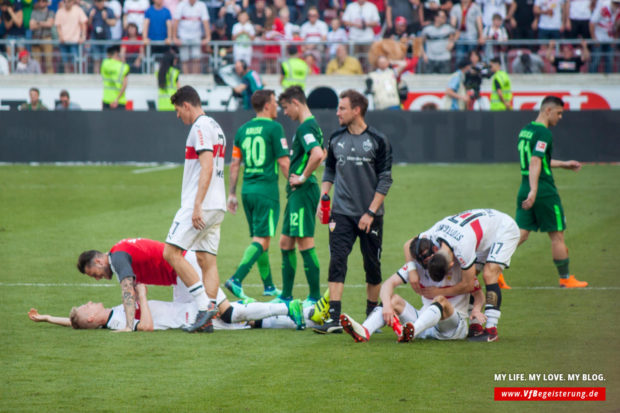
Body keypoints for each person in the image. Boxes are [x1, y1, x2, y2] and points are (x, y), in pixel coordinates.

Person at [313, 89, 393, 334]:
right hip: (341, 213)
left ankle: (371, 317)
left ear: (356, 110)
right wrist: (323, 195)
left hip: (371, 216)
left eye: (342, 108)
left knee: (372, 267)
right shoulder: (335, 138)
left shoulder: (379, 140)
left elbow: (385, 180)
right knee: (337, 262)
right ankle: (334, 317)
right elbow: (329, 171)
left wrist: (370, 212)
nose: (337, 112)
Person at [164, 85, 227, 333]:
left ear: (187, 105)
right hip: (218, 204)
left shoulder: (200, 126)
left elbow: (207, 166)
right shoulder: (215, 126)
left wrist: (197, 205)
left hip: (201, 203)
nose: (179, 116)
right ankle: (207, 321)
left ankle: (203, 307)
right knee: (206, 260)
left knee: (170, 253)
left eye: (179, 110)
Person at [407, 208, 520, 342]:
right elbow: (408, 244)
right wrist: (411, 270)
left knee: (489, 274)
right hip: (481, 232)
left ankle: (491, 330)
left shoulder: (462, 248)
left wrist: (438, 291)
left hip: (503, 229)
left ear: (451, 264)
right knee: (468, 274)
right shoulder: (434, 234)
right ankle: (475, 326)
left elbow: (468, 285)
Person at [340, 241, 486, 343]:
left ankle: (411, 332)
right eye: (422, 260)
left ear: (435, 251)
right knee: (393, 300)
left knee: (440, 299)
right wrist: (387, 307)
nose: (425, 265)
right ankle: (365, 330)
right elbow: (387, 285)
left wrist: (477, 309)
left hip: (453, 328)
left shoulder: (460, 266)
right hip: (424, 322)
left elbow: (479, 295)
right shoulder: (416, 267)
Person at [516, 95, 587, 289]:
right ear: (548, 110)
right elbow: (536, 161)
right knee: (557, 235)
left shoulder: (526, 130)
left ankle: (493, 270)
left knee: (520, 235)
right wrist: (535, 190)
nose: (560, 117)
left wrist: (565, 164)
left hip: (524, 185)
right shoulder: (544, 133)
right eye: (559, 113)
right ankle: (565, 278)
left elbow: (538, 160)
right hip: (543, 189)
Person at [225, 89, 290, 301]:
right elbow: (283, 161)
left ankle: (269, 286)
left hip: (247, 192)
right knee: (262, 239)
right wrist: (294, 184)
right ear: (267, 105)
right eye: (274, 102)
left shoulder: (242, 130)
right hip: (266, 191)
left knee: (260, 238)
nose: (277, 106)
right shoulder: (274, 128)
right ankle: (236, 279)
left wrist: (232, 193)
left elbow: (235, 164)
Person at [30, 282, 306, 331]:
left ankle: (298, 313)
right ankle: (296, 312)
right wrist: (143, 296)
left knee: (187, 272)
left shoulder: (111, 315)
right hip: (188, 316)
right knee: (240, 316)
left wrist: (46, 318)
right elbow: (147, 326)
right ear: (92, 319)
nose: (89, 302)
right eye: (86, 306)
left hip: (182, 306)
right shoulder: (116, 322)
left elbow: (74, 323)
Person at [274, 86, 325, 306]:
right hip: (297, 192)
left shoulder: (305, 127)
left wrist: (303, 177)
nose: (285, 113)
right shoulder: (310, 126)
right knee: (285, 242)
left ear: (296, 102)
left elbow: (318, 154)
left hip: (303, 191)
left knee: (304, 242)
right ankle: (286, 296)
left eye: (285, 107)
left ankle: (314, 297)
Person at [173, 0, 210, 74]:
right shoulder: (181, 5)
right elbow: (176, 21)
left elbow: (205, 21)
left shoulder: (201, 5)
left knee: (196, 58)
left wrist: (208, 37)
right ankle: (186, 77)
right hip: (183, 36)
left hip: (196, 35)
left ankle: (195, 77)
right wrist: (175, 37)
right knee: (184, 59)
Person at [54, 0, 87, 73]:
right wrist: (61, 36)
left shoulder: (78, 10)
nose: (67, 3)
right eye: (65, 1)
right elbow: (58, 26)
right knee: (65, 63)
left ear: (72, 2)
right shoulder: (60, 12)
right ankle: (67, 79)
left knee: (75, 62)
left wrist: (83, 36)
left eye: (69, 1)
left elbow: (83, 25)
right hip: (63, 42)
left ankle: (77, 78)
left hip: (74, 41)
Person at [420, 10, 455, 74]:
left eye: (445, 17)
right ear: (436, 17)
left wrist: (452, 42)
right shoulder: (427, 29)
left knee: (445, 80)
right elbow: (420, 42)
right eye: (442, 17)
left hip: (444, 58)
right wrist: (424, 55)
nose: (444, 19)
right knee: (428, 80)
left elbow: (457, 33)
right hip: (430, 58)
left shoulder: (448, 28)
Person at [88, 0, 116, 74]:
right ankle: (96, 77)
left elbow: (114, 23)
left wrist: (105, 18)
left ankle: (105, 76)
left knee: (106, 60)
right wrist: (90, 17)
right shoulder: (92, 10)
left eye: (101, 1)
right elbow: (88, 24)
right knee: (96, 59)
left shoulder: (109, 10)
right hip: (95, 38)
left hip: (106, 38)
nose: (99, 3)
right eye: (98, 1)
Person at [101, 45, 129, 110]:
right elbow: (124, 85)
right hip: (119, 101)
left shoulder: (104, 63)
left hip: (106, 99)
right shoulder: (124, 66)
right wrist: (116, 99)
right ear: (117, 54)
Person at [30, 0, 55, 73]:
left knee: (48, 62)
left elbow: (50, 24)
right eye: (40, 1)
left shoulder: (50, 13)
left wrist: (37, 23)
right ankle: (37, 80)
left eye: (43, 1)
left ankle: (50, 80)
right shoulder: (34, 12)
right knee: (36, 62)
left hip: (46, 38)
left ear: (47, 3)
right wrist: (44, 23)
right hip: (36, 38)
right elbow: (31, 26)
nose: (41, 3)